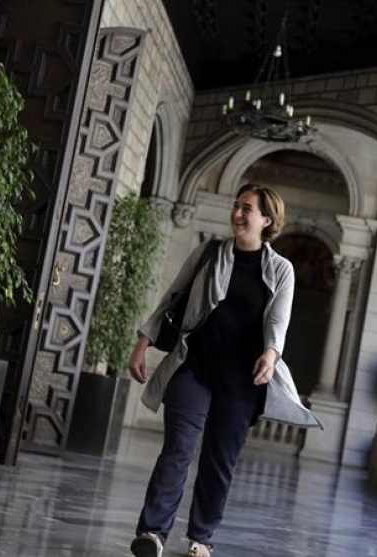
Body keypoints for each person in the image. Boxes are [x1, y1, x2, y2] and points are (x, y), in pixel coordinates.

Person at [127, 184, 320, 557]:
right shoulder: (208, 253)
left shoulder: (281, 269)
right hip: (193, 366)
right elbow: (172, 299)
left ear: (267, 220)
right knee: (177, 449)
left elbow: (278, 321)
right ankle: (152, 533)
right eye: (236, 206)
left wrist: (271, 354)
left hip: (241, 382)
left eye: (247, 208)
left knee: (219, 462)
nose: (237, 214)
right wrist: (143, 343)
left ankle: (201, 539)